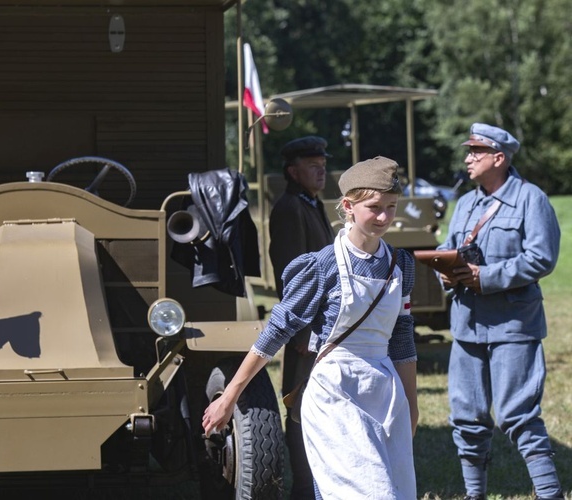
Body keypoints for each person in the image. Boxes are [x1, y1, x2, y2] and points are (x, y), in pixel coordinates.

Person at [203, 156, 418, 499]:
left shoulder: (401, 264)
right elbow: (276, 331)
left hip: (384, 393)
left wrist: (411, 401)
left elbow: (403, 338)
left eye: (391, 207)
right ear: (347, 206)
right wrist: (230, 396)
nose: (384, 217)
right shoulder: (323, 266)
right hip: (336, 390)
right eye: (374, 207)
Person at [437, 123, 563, 500]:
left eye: (475, 151)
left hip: (513, 324)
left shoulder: (531, 199)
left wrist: (486, 277)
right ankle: (475, 495)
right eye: (468, 151)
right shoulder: (465, 205)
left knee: (517, 414)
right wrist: (446, 272)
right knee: (467, 418)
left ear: (499, 157)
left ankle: (550, 494)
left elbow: (542, 257)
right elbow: (449, 247)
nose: (467, 158)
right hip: (467, 325)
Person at [268, 135, 335, 499]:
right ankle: (305, 488)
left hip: (321, 327)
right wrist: (303, 334)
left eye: (323, 163)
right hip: (306, 332)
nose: (321, 169)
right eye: (313, 165)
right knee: (299, 408)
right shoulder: (290, 208)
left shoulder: (311, 203)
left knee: (318, 405)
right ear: (293, 172)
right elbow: (294, 279)